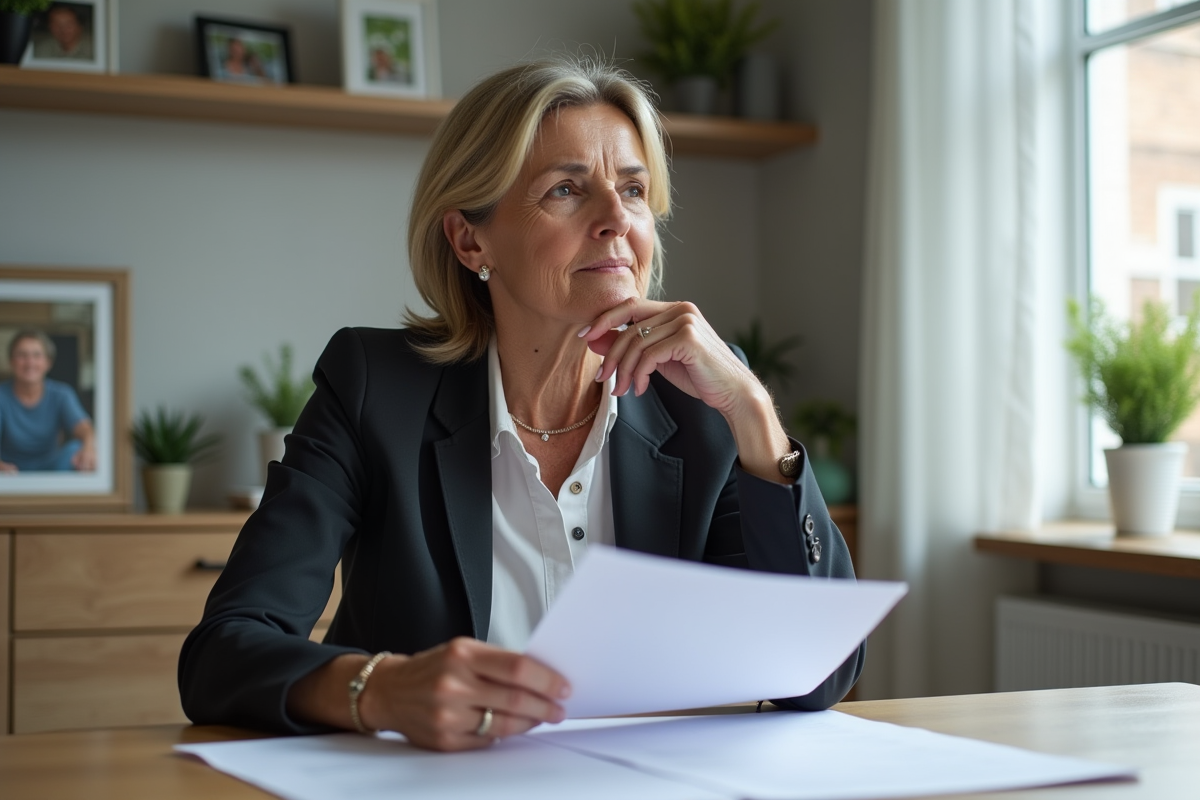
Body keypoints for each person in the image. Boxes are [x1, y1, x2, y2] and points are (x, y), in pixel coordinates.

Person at [179, 57, 864, 752]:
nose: (614, 221)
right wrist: (380, 689)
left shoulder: (701, 410)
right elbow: (223, 654)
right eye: (566, 190)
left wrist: (753, 411)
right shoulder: (374, 390)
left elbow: (820, 674)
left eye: (632, 189)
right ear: (470, 239)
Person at [0, 330, 96, 473]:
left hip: (52, 469)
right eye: (22, 355)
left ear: (48, 363)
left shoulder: (61, 394)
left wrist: (89, 447)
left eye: (37, 355)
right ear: (11, 362)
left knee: (76, 448)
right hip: (9, 471)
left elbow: (84, 428)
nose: (30, 362)